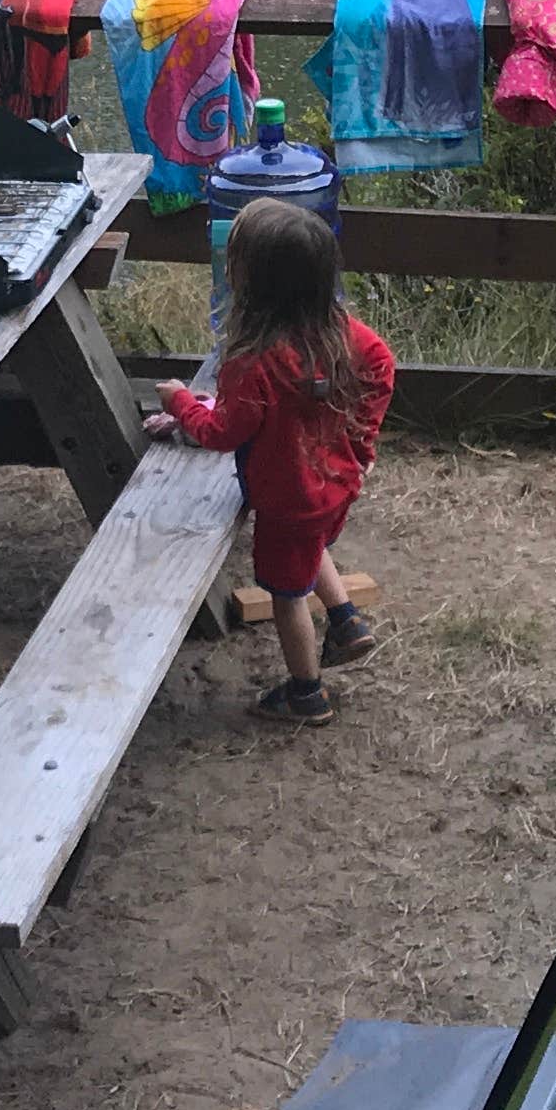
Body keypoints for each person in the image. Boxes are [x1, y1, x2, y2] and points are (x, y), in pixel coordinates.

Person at [147, 196, 395, 726]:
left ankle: (306, 693)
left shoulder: (254, 360)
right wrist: (363, 448)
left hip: (286, 499)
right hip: (335, 484)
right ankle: (347, 621)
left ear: (249, 281)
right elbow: (381, 375)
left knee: (286, 595)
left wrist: (180, 401)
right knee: (311, 548)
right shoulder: (354, 341)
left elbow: (222, 433)